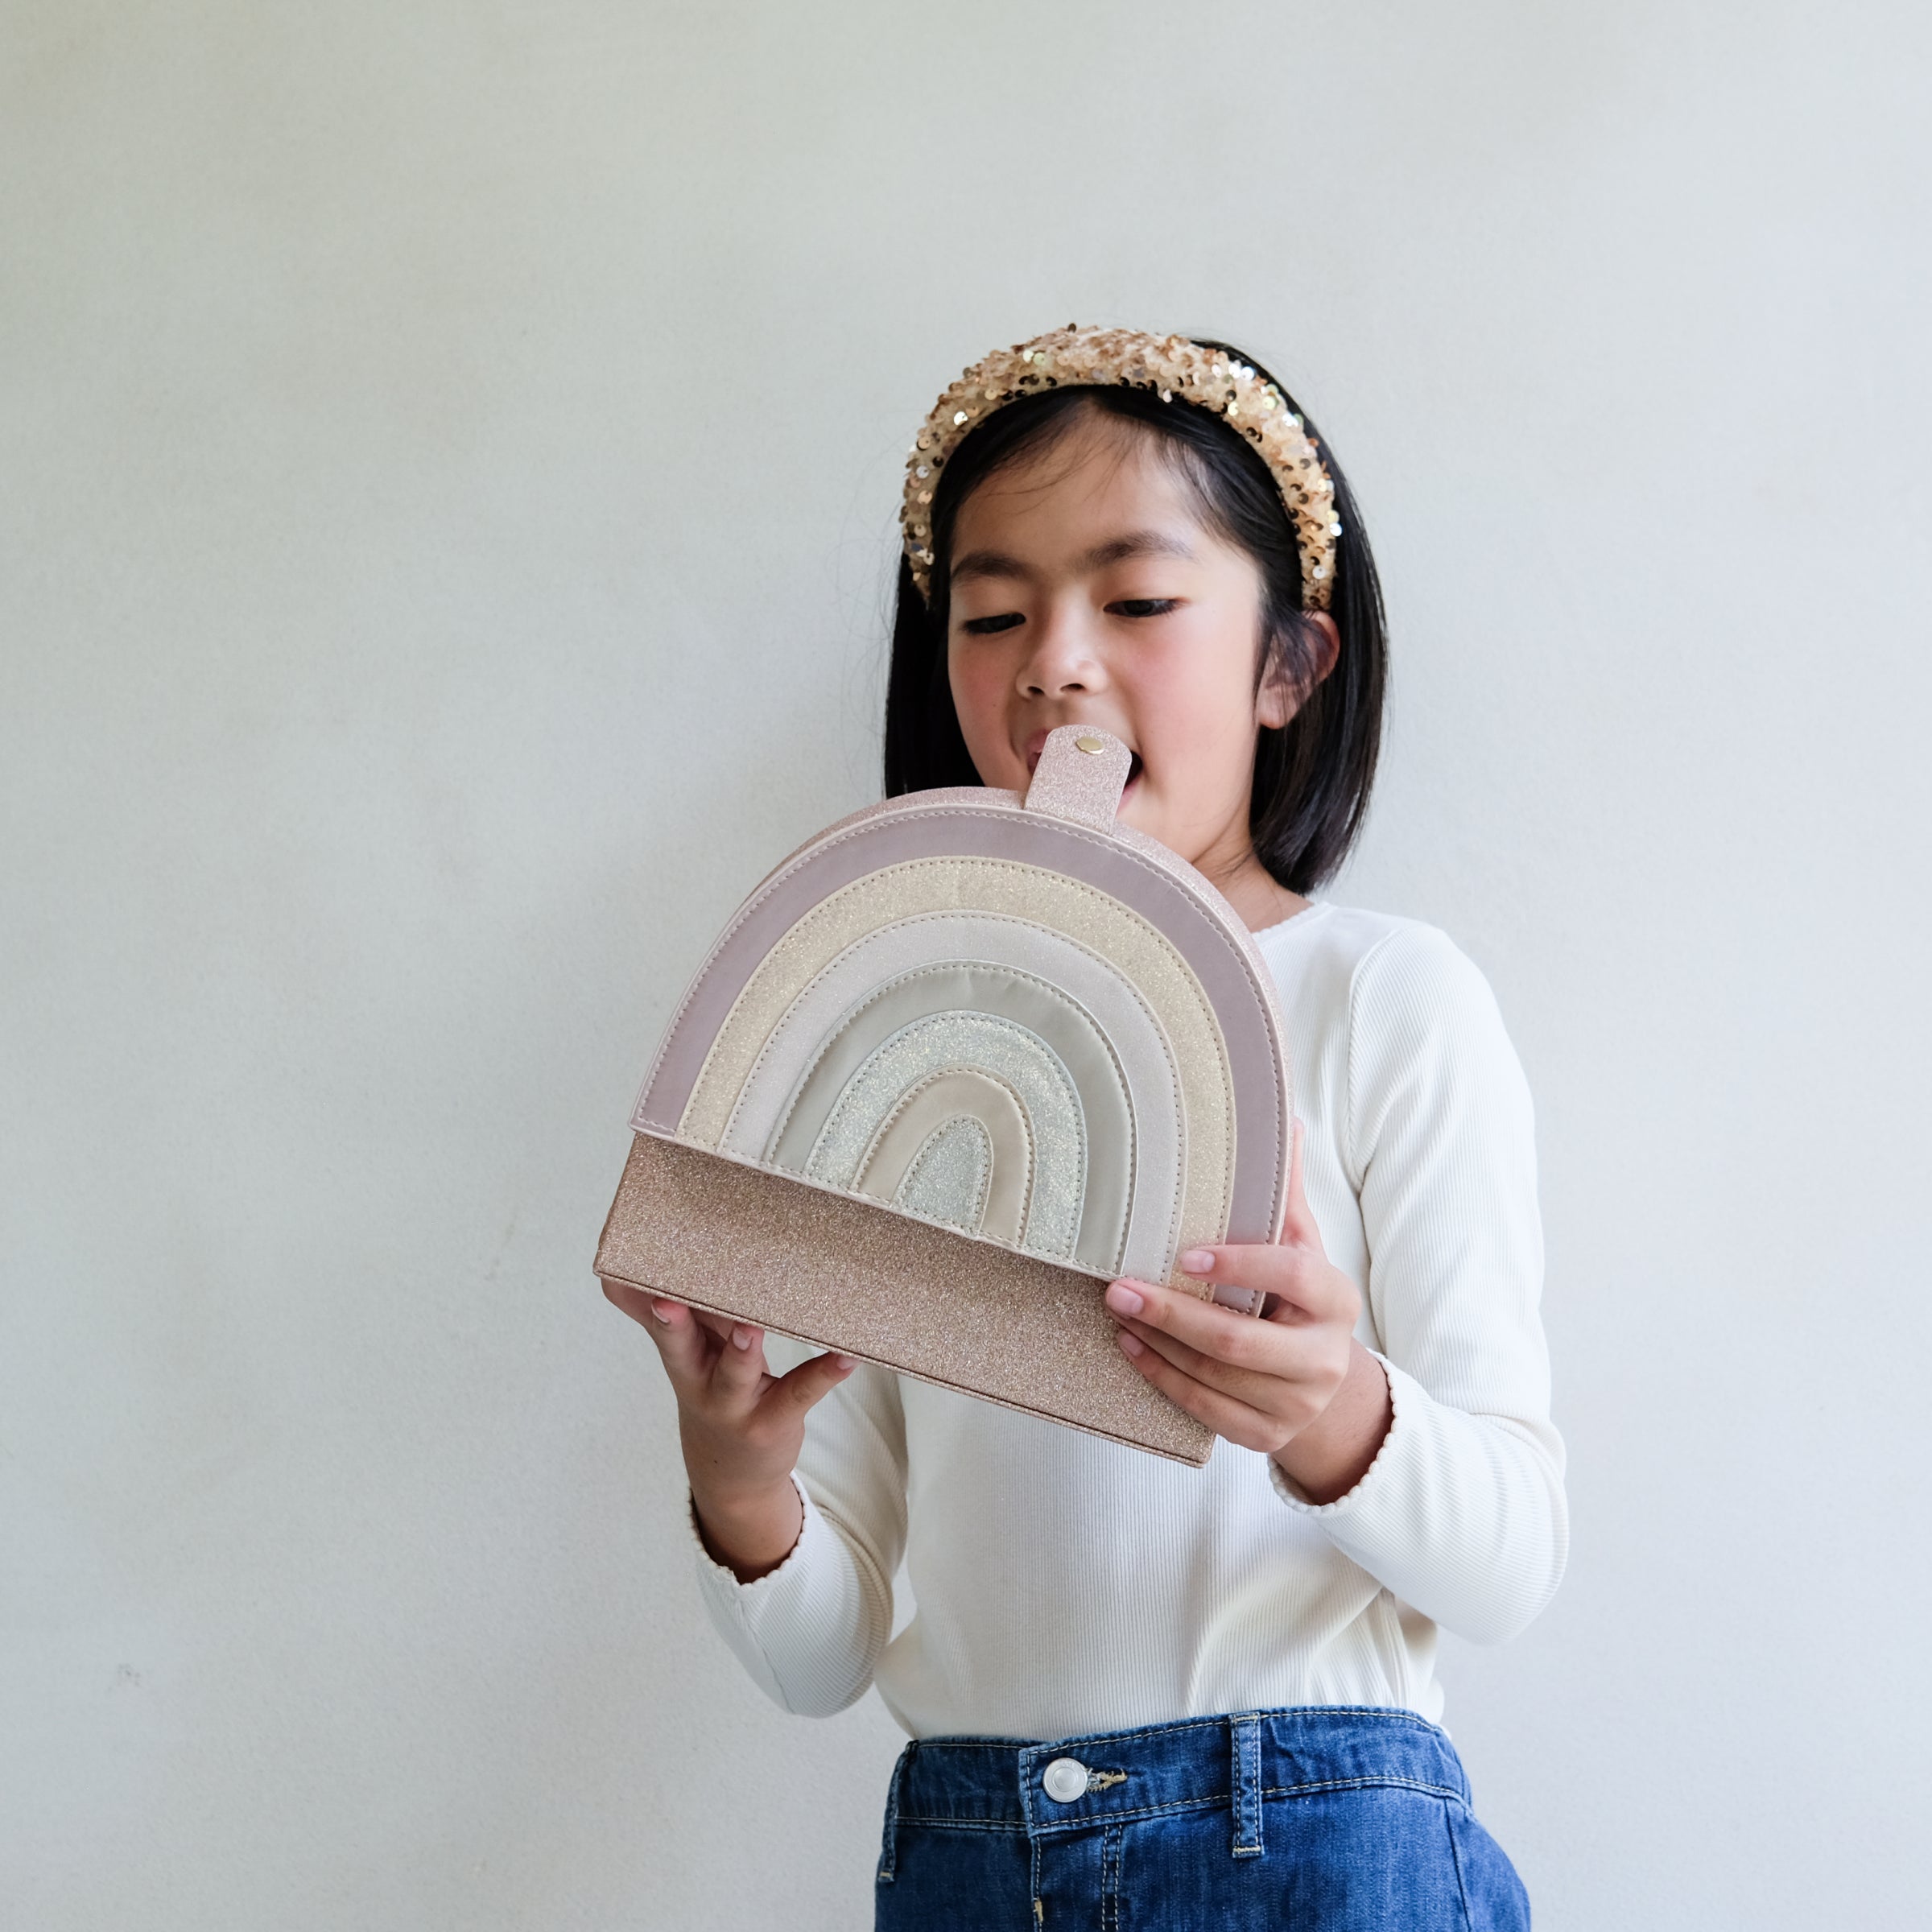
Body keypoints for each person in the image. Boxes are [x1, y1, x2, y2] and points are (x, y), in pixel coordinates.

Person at [606, 326, 1567, 1928]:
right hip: (975, 1855)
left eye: (1135, 601)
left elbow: (1512, 1563)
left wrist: (1331, 1409)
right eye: (992, 614)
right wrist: (739, 1473)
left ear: (1289, 667)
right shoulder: (896, 1035)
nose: (1054, 662)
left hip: (1318, 1844)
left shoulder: (1385, 998)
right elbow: (821, 1657)